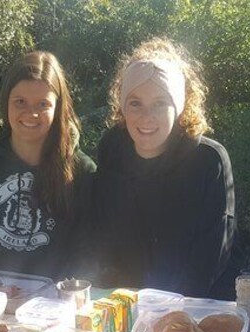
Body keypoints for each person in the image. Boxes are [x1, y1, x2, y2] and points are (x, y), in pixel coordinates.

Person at [92, 38, 235, 297]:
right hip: (125, 304)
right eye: (135, 103)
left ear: (180, 106)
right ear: (122, 106)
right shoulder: (112, 148)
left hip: (193, 307)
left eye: (160, 103)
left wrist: (166, 310)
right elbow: (103, 230)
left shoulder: (208, 161)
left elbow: (211, 255)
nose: (147, 117)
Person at [0, 51, 96, 280]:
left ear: (58, 108)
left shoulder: (83, 172)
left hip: (54, 306)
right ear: (5, 103)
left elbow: (88, 255)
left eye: (43, 104)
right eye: (20, 102)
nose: (31, 113)